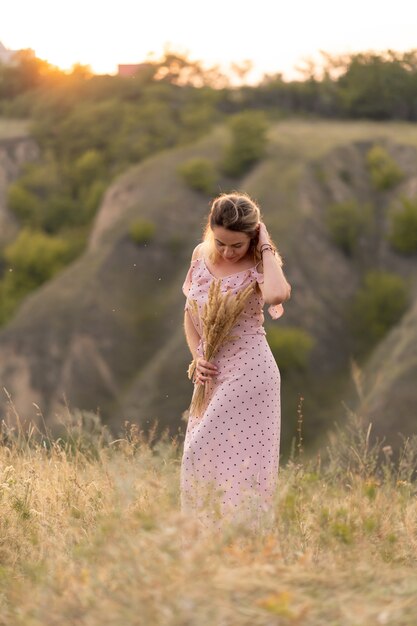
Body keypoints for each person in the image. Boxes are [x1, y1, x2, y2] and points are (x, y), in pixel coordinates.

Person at [181, 192, 291, 532]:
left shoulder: (259, 264)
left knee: (235, 467)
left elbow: (275, 295)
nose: (228, 252)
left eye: (237, 245)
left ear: (253, 237)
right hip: (212, 376)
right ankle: (205, 544)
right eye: (221, 242)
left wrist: (266, 247)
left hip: (251, 374)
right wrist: (198, 356)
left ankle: (244, 542)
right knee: (199, 461)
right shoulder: (201, 255)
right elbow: (190, 314)